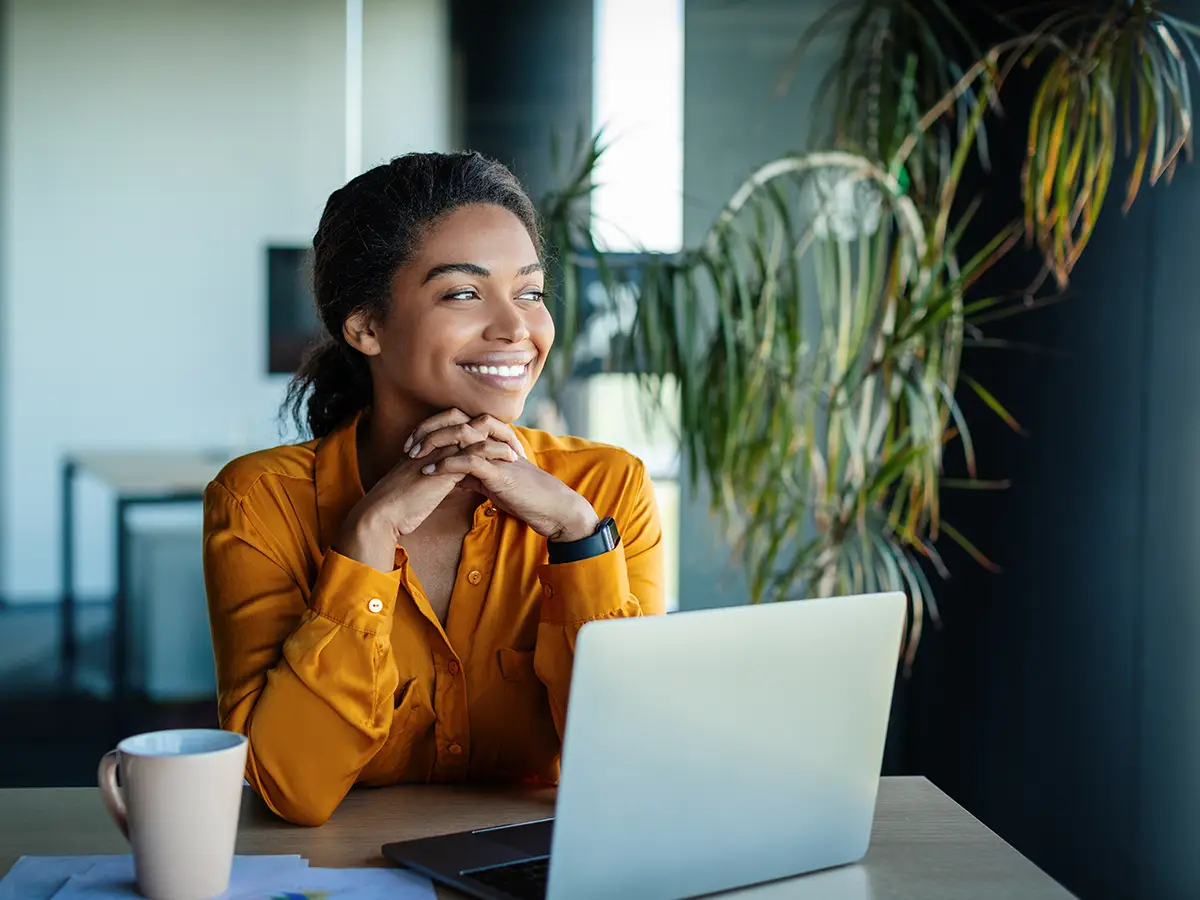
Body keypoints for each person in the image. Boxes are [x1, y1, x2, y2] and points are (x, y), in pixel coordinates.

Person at [201, 152, 664, 827]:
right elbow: (292, 789)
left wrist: (578, 539)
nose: (516, 330)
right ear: (365, 327)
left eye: (530, 292)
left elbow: (634, 764)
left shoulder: (603, 490)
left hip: (540, 874)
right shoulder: (259, 502)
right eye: (464, 293)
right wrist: (365, 542)